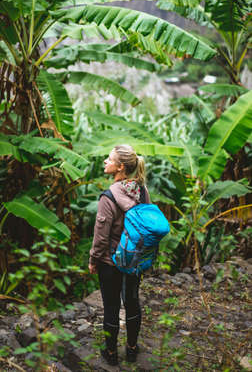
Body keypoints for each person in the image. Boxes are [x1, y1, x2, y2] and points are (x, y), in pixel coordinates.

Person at [88, 144, 150, 366]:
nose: (105, 161)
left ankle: (111, 353)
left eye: (109, 159)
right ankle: (132, 349)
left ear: (120, 167)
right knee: (132, 302)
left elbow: (101, 238)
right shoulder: (142, 191)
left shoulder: (109, 197)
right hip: (134, 259)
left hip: (110, 261)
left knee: (112, 307)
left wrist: (93, 260)